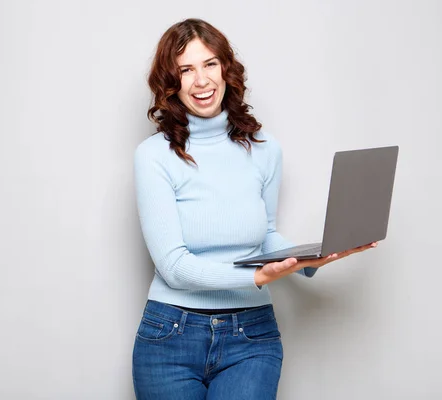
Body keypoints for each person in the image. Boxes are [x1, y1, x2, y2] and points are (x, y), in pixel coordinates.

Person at [132, 18, 376, 400]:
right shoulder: (153, 157)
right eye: (186, 70)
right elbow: (174, 267)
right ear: (171, 82)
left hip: (251, 335)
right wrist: (257, 278)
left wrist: (313, 259)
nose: (201, 81)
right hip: (170, 337)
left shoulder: (263, 148)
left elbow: (264, 233)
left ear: (226, 69)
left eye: (210, 64)